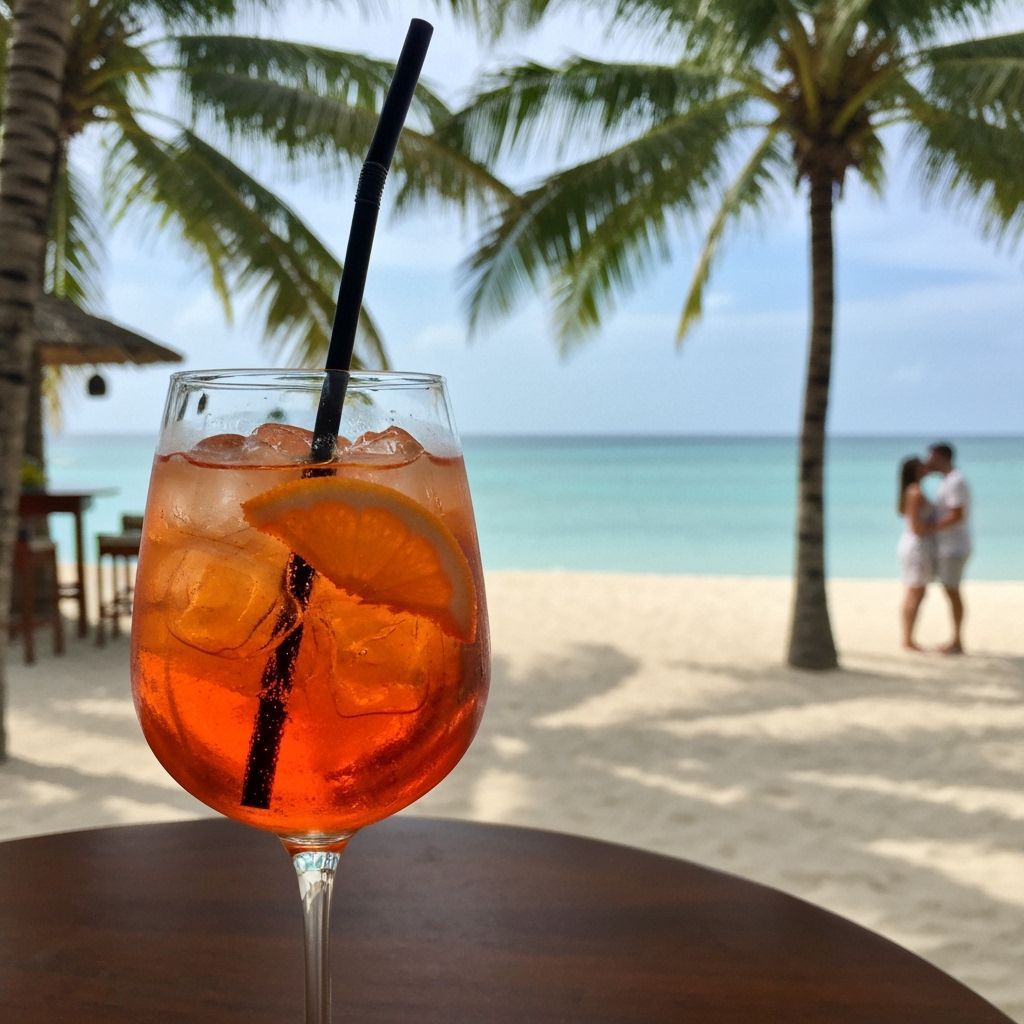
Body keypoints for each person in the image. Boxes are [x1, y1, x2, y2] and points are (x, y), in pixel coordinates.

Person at [926, 441, 972, 654]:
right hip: (947, 546)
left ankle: (957, 641)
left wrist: (927, 528)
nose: (928, 461)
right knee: (950, 590)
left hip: (954, 547)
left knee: (952, 591)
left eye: (931, 457)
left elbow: (956, 514)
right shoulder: (947, 481)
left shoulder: (955, 481)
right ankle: (956, 640)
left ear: (940, 456)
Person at [897, 456, 936, 651]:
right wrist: (942, 526)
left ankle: (908, 638)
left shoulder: (914, 491)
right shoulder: (915, 492)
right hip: (917, 546)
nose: (926, 467)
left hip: (915, 545)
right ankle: (907, 639)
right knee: (915, 592)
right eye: (922, 466)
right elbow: (917, 527)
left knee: (916, 592)